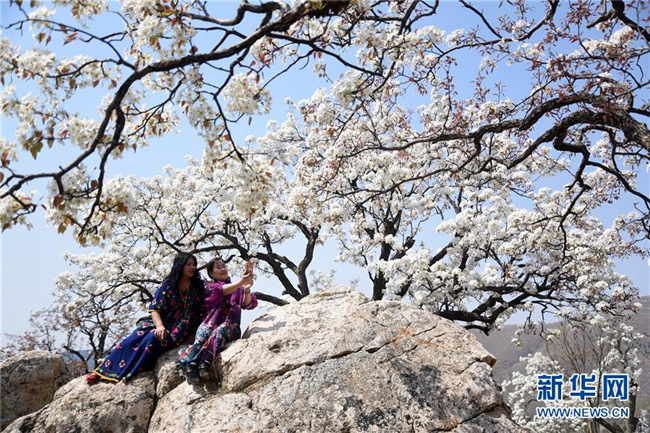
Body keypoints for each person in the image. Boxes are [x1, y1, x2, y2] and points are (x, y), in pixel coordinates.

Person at [85, 252, 204, 383]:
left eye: (194, 264)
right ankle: (101, 370)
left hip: (178, 331)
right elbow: (155, 309)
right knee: (131, 340)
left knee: (152, 339)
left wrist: (192, 333)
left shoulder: (197, 289)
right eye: (188, 264)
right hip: (158, 323)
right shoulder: (168, 285)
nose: (192, 267)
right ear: (179, 266)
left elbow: (199, 315)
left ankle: (126, 372)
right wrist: (160, 326)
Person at [179, 257, 258, 384]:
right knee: (203, 335)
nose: (222, 269)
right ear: (211, 273)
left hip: (230, 327)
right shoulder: (209, 286)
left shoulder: (238, 288)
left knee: (221, 330)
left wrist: (246, 289)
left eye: (224, 266)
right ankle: (191, 366)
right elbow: (221, 291)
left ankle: (204, 363)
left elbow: (248, 304)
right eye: (218, 267)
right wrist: (240, 283)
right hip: (210, 323)